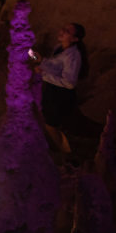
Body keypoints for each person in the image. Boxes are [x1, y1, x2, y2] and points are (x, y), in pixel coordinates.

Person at [33, 23, 88, 156]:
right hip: (52, 92)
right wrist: (42, 62)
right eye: (63, 28)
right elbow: (56, 66)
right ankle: (60, 150)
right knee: (49, 123)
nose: (62, 31)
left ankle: (66, 154)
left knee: (52, 126)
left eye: (67, 31)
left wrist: (44, 75)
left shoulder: (73, 56)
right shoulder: (59, 48)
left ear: (75, 39)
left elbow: (69, 83)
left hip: (61, 96)